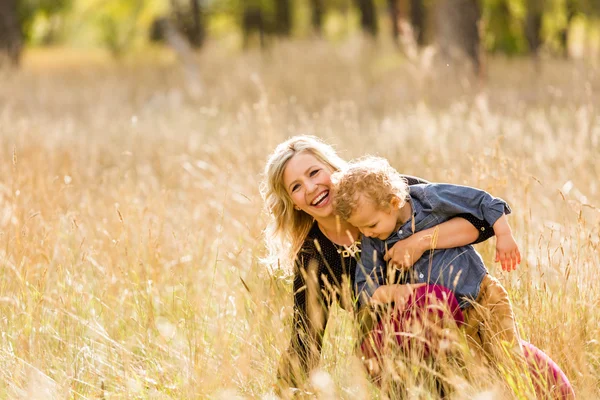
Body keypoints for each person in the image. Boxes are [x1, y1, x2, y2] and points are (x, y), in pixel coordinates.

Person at [260, 135, 574, 398]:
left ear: (334, 169)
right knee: (425, 305)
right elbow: (305, 340)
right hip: (395, 352)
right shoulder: (316, 255)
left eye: (314, 172)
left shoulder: (386, 191)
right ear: (293, 203)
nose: (311, 187)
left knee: (545, 386)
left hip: (468, 312)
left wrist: (418, 242)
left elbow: (479, 223)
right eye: (296, 187)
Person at [330, 156, 522, 363]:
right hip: (449, 320)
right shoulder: (373, 240)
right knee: (480, 371)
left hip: (482, 294)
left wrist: (504, 235)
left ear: (394, 203)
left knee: (510, 359)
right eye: (360, 228)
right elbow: (366, 289)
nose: (365, 233)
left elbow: (483, 202)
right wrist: (401, 292)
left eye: (371, 225)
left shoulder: (429, 199)